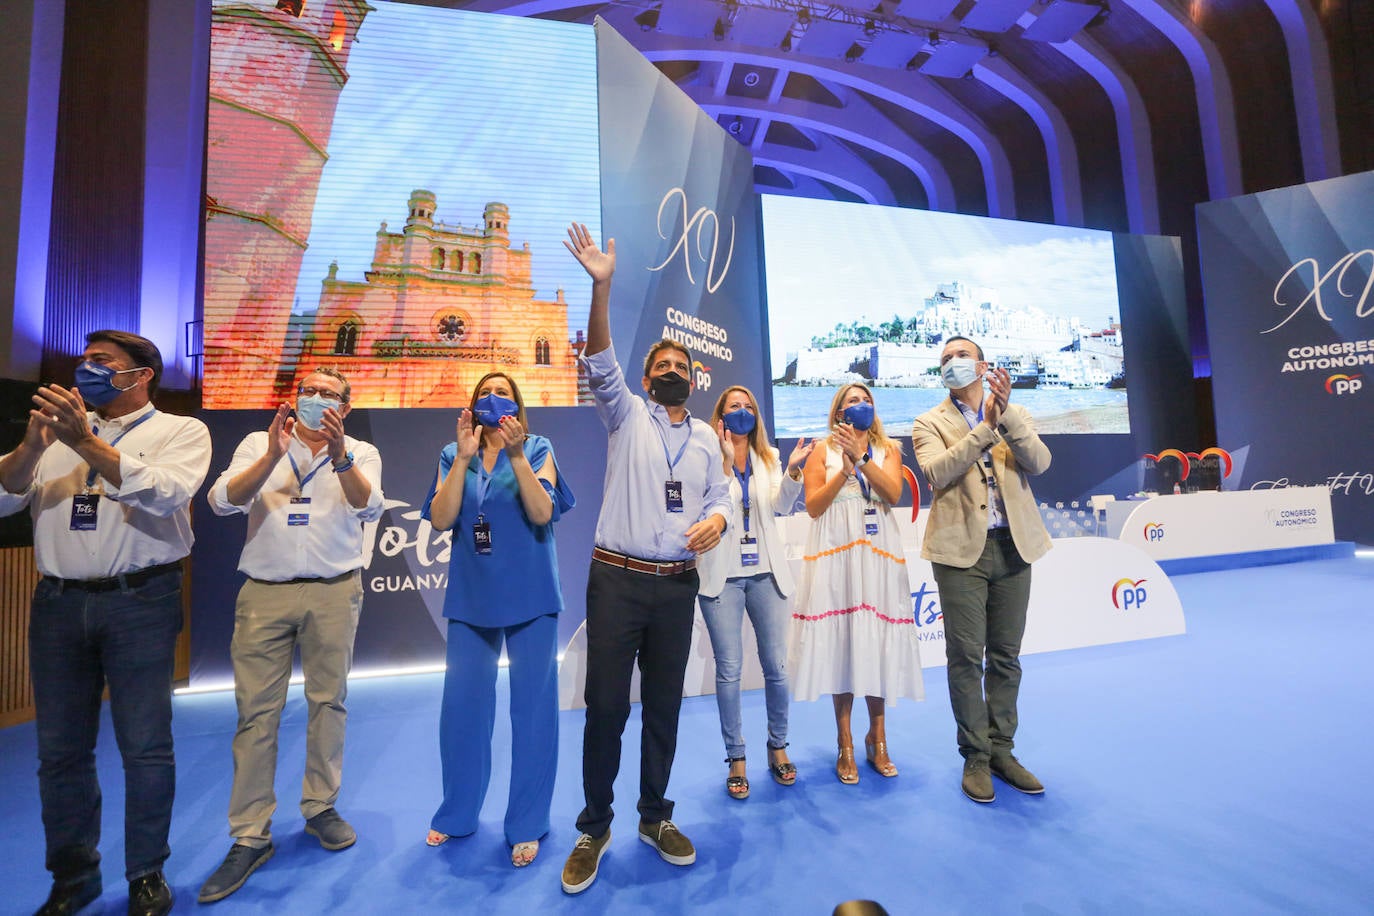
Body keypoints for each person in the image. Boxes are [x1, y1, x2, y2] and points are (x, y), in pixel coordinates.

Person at [0, 330, 211, 916]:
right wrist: (33, 443)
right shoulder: (54, 433)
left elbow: (165, 494)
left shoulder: (181, 431)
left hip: (140, 600)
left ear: (141, 375)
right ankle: (73, 876)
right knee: (60, 751)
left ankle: (146, 872)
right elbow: (5, 496)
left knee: (145, 746)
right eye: (85, 361)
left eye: (104, 362)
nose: (88, 370)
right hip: (58, 604)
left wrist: (84, 442)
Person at [559, 222, 732, 895]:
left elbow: (721, 497)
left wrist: (717, 520)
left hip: (676, 587)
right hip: (618, 581)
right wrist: (601, 286)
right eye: (661, 366)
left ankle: (655, 817)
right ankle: (594, 827)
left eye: (680, 368)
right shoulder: (625, 414)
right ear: (644, 376)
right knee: (606, 706)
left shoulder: (709, 439)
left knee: (663, 706)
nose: (671, 373)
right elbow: (597, 358)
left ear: (694, 377)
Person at [198, 367, 384, 902]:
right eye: (310, 391)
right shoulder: (260, 441)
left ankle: (320, 807)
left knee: (330, 702)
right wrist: (273, 456)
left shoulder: (361, 451)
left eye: (330, 394)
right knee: (256, 714)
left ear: (344, 408)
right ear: (295, 398)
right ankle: (250, 835)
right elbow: (222, 501)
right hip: (265, 592)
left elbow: (369, 505)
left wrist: (341, 451)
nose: (317, 399)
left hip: (334, 590)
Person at [419, 371, 574, 867]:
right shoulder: (452, 453)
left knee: (533, 713)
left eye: (503, 393)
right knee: (461, 711)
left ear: (518, 406)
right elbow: (441, 519)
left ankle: (527, 822)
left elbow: (542, 511)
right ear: (472, 406)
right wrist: (464, 457)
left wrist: (514, 454)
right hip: (472, 597)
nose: (493, 399)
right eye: (485, 393)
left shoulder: (540, 447)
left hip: (531, 595)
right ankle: (457, 813)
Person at [911, 336, 1052, 803]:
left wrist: (1005, 415)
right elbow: (937, 471)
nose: (953, 363)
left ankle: (1002, 751)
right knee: (966, 659)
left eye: (961, 355)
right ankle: (975, 756)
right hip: (959, 554)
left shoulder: (1014, 411)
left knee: (1007, 656)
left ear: (982, 364)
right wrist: (985, 430)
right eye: (945, 359)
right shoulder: (928, 421)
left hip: (1014, 546)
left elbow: (1040, 462)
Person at [789, 383, 923, 785]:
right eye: (852, 400)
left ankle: (877, 737)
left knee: (877, 641)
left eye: (866, 400)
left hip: (877, 553)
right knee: (844, 644)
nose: (861, 405)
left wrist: (862, 460)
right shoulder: (820, 451)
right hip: (836, 553)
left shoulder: (888, 450)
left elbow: (894, 493)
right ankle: (845, 741)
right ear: (838, 411)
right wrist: (843, 471)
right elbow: (813, 507)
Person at [698, 385, 811, 799]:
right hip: (721, 576)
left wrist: (794, 473)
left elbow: (780, 508)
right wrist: (726, 464)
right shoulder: (707, 455)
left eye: (748, 406)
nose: (742, 412)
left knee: (777, 668)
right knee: (728, 671)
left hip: (767, 574)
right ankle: (737, 757)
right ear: (721, 415)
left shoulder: (770, 457)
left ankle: (778, 747)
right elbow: (709, 506)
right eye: (734, 406)